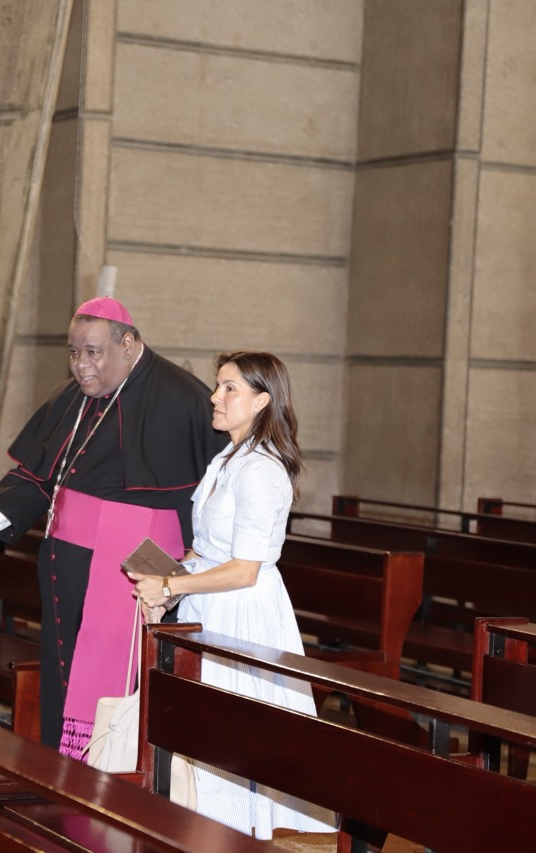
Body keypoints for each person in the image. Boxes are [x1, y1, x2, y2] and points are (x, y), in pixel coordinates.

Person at [0, 296, 225, 755]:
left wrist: (194, 565)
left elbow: (214, 492)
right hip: (67, 568)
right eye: (73, 352)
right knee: (64, 671)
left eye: (92, 352)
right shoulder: (75, 395)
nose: (81, 366)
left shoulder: (183, 397)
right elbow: (36, 476)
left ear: (128, 344)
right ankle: (64, 776)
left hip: (133, 573)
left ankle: (118, 781)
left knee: (120, 682)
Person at [129, 351, 337, 839]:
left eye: (229, 389)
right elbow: (208, 548)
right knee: (207, 733)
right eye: (217, 386)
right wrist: (166, 586)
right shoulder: (227, 458)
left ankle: (239, 836)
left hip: (243, 615)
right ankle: (209, 833)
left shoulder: (262, 470)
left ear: (262, 401)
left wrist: (171, 586)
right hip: (210, 607)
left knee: (236, 737)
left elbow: (244, 570)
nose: (214, 397)